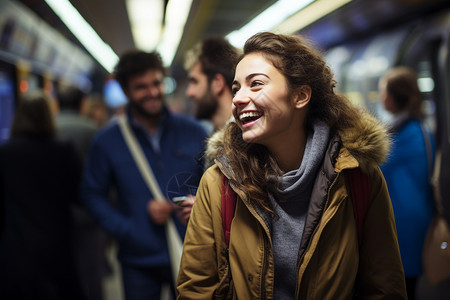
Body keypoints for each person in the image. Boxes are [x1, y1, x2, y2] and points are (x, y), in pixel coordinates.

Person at [177, 32, 407, 299]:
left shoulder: (358, 179)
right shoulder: (219, 183)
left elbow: (384, 288)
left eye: (256, 84)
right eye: (237, 87)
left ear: (300, 96)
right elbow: (196, 290)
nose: (238, 99)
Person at [81, 50, 208, 300]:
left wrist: (200, 206)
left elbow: (213, 186)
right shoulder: (108, 141)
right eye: (141, 87)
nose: (152, 92)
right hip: (137, 260)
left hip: (191, 253)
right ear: (126, 91)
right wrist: (128, 227)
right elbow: (92, 194)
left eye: (156, 83)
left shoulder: (194, 131)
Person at [0, 90, 83, 299]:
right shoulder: (63, 150)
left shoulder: (5, 153)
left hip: (16, 242)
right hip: (57, 239)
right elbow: (78, 195)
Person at [378, 66, 435, 300]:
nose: (381, 97)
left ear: (392, 97)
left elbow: (375, 166)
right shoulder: (419, 129)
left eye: (382, 92)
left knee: (401, 287)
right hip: (415, 217)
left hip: (404, 224)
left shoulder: (401, 135)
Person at [55, 85, 107, 300]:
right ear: (82, 104)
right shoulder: (93, 130)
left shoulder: (50, 128)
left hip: (57, 213)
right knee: (91, 271)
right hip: (88, 212)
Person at [184, 36, 240, 135]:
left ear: (218, 83)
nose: (189, 93)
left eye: (195, 81)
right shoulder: (217, 138)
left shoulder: (247, 140)